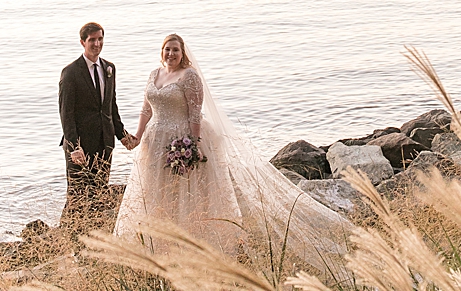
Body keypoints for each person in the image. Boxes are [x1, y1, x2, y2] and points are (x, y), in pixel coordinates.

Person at [114, 34, 350, 277]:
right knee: (157, 192)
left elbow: (195, 114)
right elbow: (145, 109)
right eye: (167, 49)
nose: (170, 54)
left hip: (179, 141)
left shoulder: (190, 76)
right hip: (155, 143)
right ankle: (157, 247)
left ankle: (191, 248)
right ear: (161, 51)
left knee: (186, 194)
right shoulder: (155, 74)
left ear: (183, 53)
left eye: (175, 50)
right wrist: (138, 136)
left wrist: (192, 147)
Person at [58, 22, 136, 228]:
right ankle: (68, 235)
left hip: (104, 141)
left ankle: (95, 236)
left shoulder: (109, 68)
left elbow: (111, 105)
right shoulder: (71, 72)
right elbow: (66, 113)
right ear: (82, 42)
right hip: (80, 146)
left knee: (99, 192)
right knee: (77, 195)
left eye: (100, 39)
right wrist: (74, 147)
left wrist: (122, 135)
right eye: (92, 40)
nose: (97, 43)